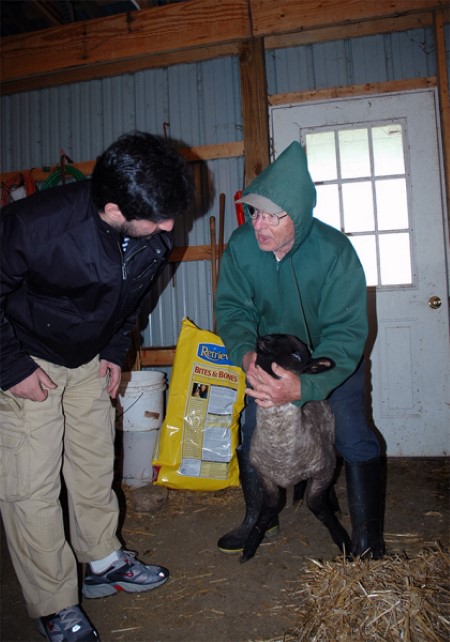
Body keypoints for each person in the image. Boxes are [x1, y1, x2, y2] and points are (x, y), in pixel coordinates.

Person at [0, 131, 194, 641]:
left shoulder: (155, 232)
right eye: (158, 218)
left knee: (93, 463)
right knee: (31, 485)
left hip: (87, 355)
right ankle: (54, 604)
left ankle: (103, 561)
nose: (169, 228)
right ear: (112, 209)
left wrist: (113, 350)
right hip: (25, 354)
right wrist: (10, 368)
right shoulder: (33, 225)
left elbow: (134, 299)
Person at [215, 141, 385, 561]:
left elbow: (346, 334)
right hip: (272, 358)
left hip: (331, 360)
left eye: (272, 216)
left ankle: (368, 540)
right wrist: (245, 354)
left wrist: (305, 387)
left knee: (351, 434)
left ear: (300, 215)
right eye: (254, 212)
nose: (259, 225)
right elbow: (233, 310)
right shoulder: (241, 247)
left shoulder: (335, 253)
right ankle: (260, 516)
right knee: (253, 431)